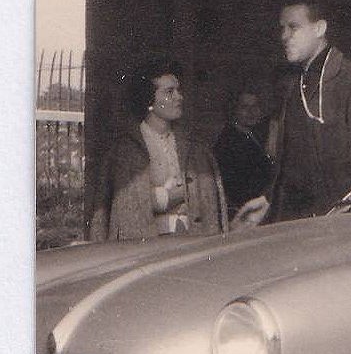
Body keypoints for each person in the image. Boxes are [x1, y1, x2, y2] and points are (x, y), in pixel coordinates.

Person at [267, 0, 351, 222]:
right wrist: (267, 200)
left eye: (293, 27)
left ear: (319, 28)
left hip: (339, 223)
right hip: (297, 220)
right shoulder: (293, 85)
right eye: (282, 28)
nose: (284, 36)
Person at [89, 60, 226, 240]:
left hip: (190, 242)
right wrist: (167, 197)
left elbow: (211, 203)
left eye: (178, 90)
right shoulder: (125, 151)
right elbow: (114, 208)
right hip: (143, 247)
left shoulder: (195, 147)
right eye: (169, 92)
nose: (179, 97)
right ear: (149, 101)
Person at [213, 87, 275, 216]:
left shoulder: (250, 135)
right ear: (233, 110)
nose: (251, 112)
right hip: (245, 211)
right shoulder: (229, 141)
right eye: (244, 107)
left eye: (255, 106)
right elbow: (236, 188)